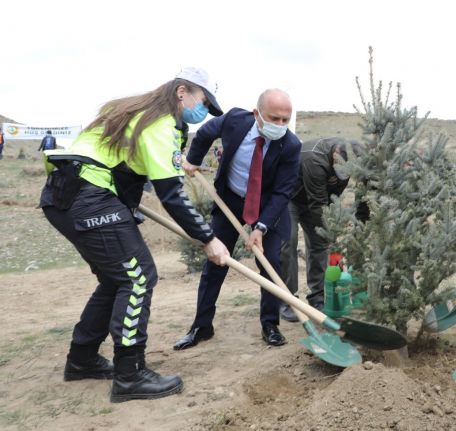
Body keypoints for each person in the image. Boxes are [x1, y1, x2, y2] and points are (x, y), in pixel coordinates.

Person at [39, 67, 230, 403]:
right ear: (182, 91)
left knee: (117, 279)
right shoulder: (161, 123)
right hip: (89, 196)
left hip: (65, 196)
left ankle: (82, 359)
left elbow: (121, 170)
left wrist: (126, 209)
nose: (203, 113)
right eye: (203, 101)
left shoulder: (131, 109)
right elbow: (171, 194)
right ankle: (130, 375)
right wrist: (207, 238)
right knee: (139, 277)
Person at [173, 88, 301, 350]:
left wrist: (261, 228)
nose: (280, 125)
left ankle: (270, 324)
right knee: (215, 262)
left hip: (267, 207)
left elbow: (282, 192)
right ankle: (201, 325)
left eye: (285, 120)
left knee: (271, 264)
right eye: (274, 118)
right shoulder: (235, 120)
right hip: (230, 199)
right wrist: (193, 160)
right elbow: (206, 133)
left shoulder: (290, 145)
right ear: (257, 114)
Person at [279, 137, 360, 322]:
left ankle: (318, 298)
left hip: (316, 200)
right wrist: (328, 233)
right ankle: (288, 301)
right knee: (288, 243)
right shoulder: (314, 158)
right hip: (289, 198)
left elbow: (332, 197)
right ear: (335, 154)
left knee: (319, 245)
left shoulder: (352, 156)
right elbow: (317, 204)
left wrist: (331, 226)